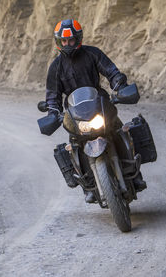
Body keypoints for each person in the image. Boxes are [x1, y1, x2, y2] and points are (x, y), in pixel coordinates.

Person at [46, 19, 146, 203]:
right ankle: (88, 185)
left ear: (78, 39)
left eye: (71, 40)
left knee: (119, 129)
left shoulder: (92, 54)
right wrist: (53, 111)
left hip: (99, 102)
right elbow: (53, 95)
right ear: (59, 42)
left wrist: (119, 85)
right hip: (75, 112)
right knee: (74, 145)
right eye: (64, 41)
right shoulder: (55, 67)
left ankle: (135, 173)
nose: (68, 44)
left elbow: (111, 71)